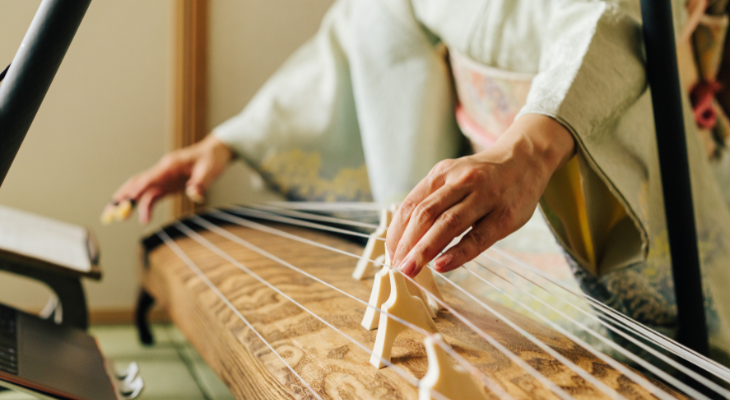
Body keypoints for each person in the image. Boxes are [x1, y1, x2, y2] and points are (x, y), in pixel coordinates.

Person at [104, 0, 730, 364]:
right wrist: (229, 139)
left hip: (610, 194)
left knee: (645, 364)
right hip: (486, 227)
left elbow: (620, 14)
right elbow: (364, 28)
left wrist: (528, 152)